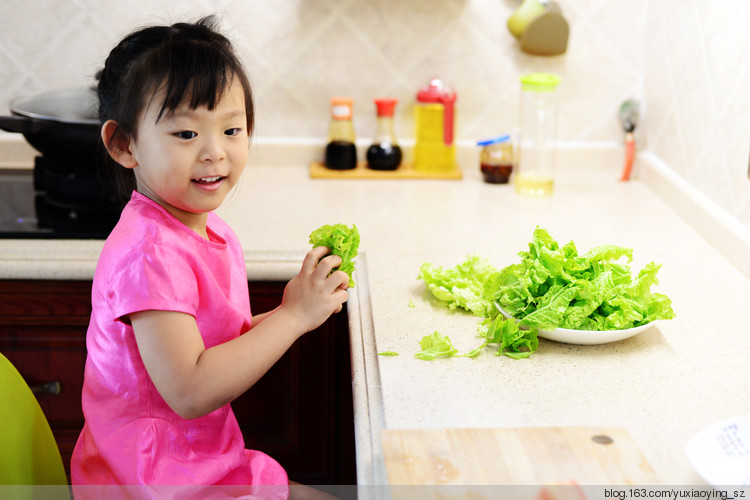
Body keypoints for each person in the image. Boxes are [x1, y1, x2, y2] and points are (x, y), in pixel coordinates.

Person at [71, 16, 349, 499]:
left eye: (232, 129)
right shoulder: (149, 254)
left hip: (196, 462)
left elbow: (213, 347)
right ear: (123, 144)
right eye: (185, 134)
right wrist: (292, 317)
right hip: (150, 478)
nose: (214, 152)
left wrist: (296, 310)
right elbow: (192, 390)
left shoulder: (203, 227)